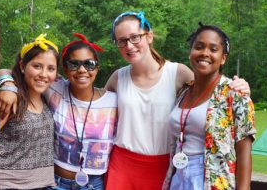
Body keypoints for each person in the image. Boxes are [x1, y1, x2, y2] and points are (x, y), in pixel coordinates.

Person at [103, 11, 251, 190]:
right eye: (122, 41)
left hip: (164, 168)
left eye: (135, 37)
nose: (129, 45)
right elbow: (94, 107)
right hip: (123, 165)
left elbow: (210, 86)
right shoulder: (117, 78)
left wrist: (239, 86)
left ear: (149, 36)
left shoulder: (178, 73)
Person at [0, 33, 118, 190]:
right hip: (55, 182)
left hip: (94, 184)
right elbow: (8, 71)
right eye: (74, 64)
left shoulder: (114, 102)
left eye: (89, 64)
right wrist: (8, 86)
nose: (82, 70)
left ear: (97, 68)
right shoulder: (55, 88)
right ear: (64, 68)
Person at [162, 23, 256, 190]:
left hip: (212, 180)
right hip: (178, 177)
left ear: (223, 58)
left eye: (213, 49)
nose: (205, 53)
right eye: (199, 47)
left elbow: (244, 154)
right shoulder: (183, 91)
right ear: (190, 51)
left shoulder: (235, 94)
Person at [0, 34, 59, 190]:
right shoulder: (8, 100)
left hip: (44, 184)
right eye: (37, 66)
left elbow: (4, 71)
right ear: (22, 66)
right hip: (5, 184)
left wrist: (5, 80)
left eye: (51, 69)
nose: (43, 74)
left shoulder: (48, 97)